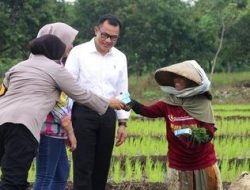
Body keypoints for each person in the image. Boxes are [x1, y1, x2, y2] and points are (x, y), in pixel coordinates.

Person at [0, 34, 124, 190]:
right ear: (54, 51)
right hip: (23, 127)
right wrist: (107, 102)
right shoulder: (56, 69)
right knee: (13, 181)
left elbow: (3, 91)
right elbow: (81, 94)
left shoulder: (18, 66)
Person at [129, 60, 222, 190]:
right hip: (178, 163)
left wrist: (189, 132)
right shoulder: (168, 102)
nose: (176, 80)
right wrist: (130, 102)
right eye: (175, 77)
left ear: (190, 81)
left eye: (181, 78)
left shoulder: (202, 103)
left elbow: (208, 134)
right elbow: (147, 111)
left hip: (202, 163)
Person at [65, 14, 130, 190]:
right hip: (83, 114)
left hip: (108, 116)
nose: (108, 40)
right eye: (105, 35)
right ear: (96, 30)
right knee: (83, 166)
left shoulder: (120, 57)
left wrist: (123, 122)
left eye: (114, 38)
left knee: (102, 167)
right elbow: (68, 87)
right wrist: (67, 118)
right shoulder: (78, 52)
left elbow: (123, 91)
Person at [32, 23, 78, 190]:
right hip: (48, 130)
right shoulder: (48, 69)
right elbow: (57, 104)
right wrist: (70, 131)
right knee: (45, 177)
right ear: (57, 42)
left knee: (60, 174)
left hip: (56, 131)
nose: (72, 46)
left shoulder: (57, 65)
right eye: (69, 41)